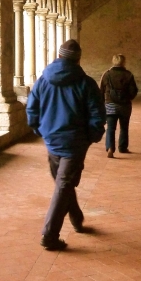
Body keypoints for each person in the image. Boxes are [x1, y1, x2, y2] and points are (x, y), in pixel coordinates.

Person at [27, 39, 106, 251]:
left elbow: (32, 108)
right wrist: (92, 136)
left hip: (51, 140)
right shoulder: (86, 83)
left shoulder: (43, 80)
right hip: (75, 142)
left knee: (63, 183)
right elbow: (97, 113)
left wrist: (39, 129)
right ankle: (50, 235)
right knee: (64, 184)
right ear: (78, 59)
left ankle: (76, 217)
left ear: (59, 56)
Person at [99, 54, 138, 158]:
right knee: (124, 127)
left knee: (110, 128)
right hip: (124, 106)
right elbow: (133, 91)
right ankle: (123, 147)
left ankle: (110, 148)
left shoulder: (106, 74)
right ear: (123, 62)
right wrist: (128, 98)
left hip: (110, 105)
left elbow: (101, 90)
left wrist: (103, 103)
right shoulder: (128, 75)